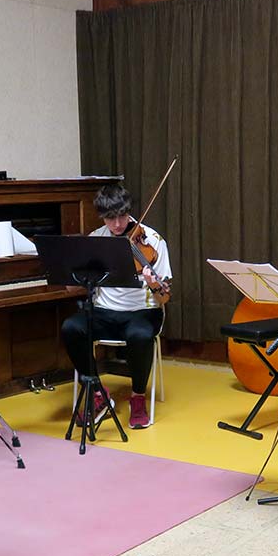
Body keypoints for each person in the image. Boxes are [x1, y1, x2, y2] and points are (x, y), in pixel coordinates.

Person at [60, 183, 172, 429]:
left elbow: (164, 298)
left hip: (142, 312)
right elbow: (72, 288)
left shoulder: (152, 241)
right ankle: (98, 392)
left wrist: (154, 284)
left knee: (139, 335)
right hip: (103, 311)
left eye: (121, 216)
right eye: (110, 219)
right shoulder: (96, 240)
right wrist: (70, 273)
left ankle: (138, 397)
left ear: (128, 211)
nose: (118, 225)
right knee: (71, 327)